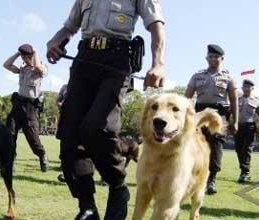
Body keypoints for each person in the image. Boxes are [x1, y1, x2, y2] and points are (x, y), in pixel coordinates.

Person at [46, 0, 166, 218]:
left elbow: (156, 25)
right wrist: (54, 41)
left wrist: (158, 63)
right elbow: (70, 26)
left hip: (116, 59)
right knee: (70, 136)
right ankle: (87, 207)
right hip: (84, 58)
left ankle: (118, 186)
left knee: (96, 128)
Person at [185, 44, 239, 195]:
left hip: (219, 114)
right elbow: (187, 97)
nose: (213, 59)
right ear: (206, 58)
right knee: (195, 144)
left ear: (222, 59)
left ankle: (211, 180)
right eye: (210, 56)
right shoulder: (197, 76)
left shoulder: (228, 77)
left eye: (216, 57)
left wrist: (235, 121)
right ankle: (192, 177)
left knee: (215, 146)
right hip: (200, 113)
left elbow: (234, 101)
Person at [3, 44, 50, 172]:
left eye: (26, 56)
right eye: (23, 57)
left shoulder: (41, 67)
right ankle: (10, 162)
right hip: (18, 104)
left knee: (33, 139)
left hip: (31, 108)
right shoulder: (23, 69)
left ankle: (42, 155)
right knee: (9, 134)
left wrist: (34, 52)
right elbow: (6, 65)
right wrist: (17, 54)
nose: (24, 59)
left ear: (32, 55)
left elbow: (38, 67)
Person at [235, 79, 259, 183]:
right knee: (238, 149)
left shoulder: (257, 101)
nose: (246, 89)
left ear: (252, 89)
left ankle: (245, 172)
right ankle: (244, 170)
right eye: (244, 87)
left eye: (249, 87)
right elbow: (230, 112)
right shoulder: (236, 100)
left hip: (250, 127)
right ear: (242, 88)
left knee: (247, 149)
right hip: (238, 126)